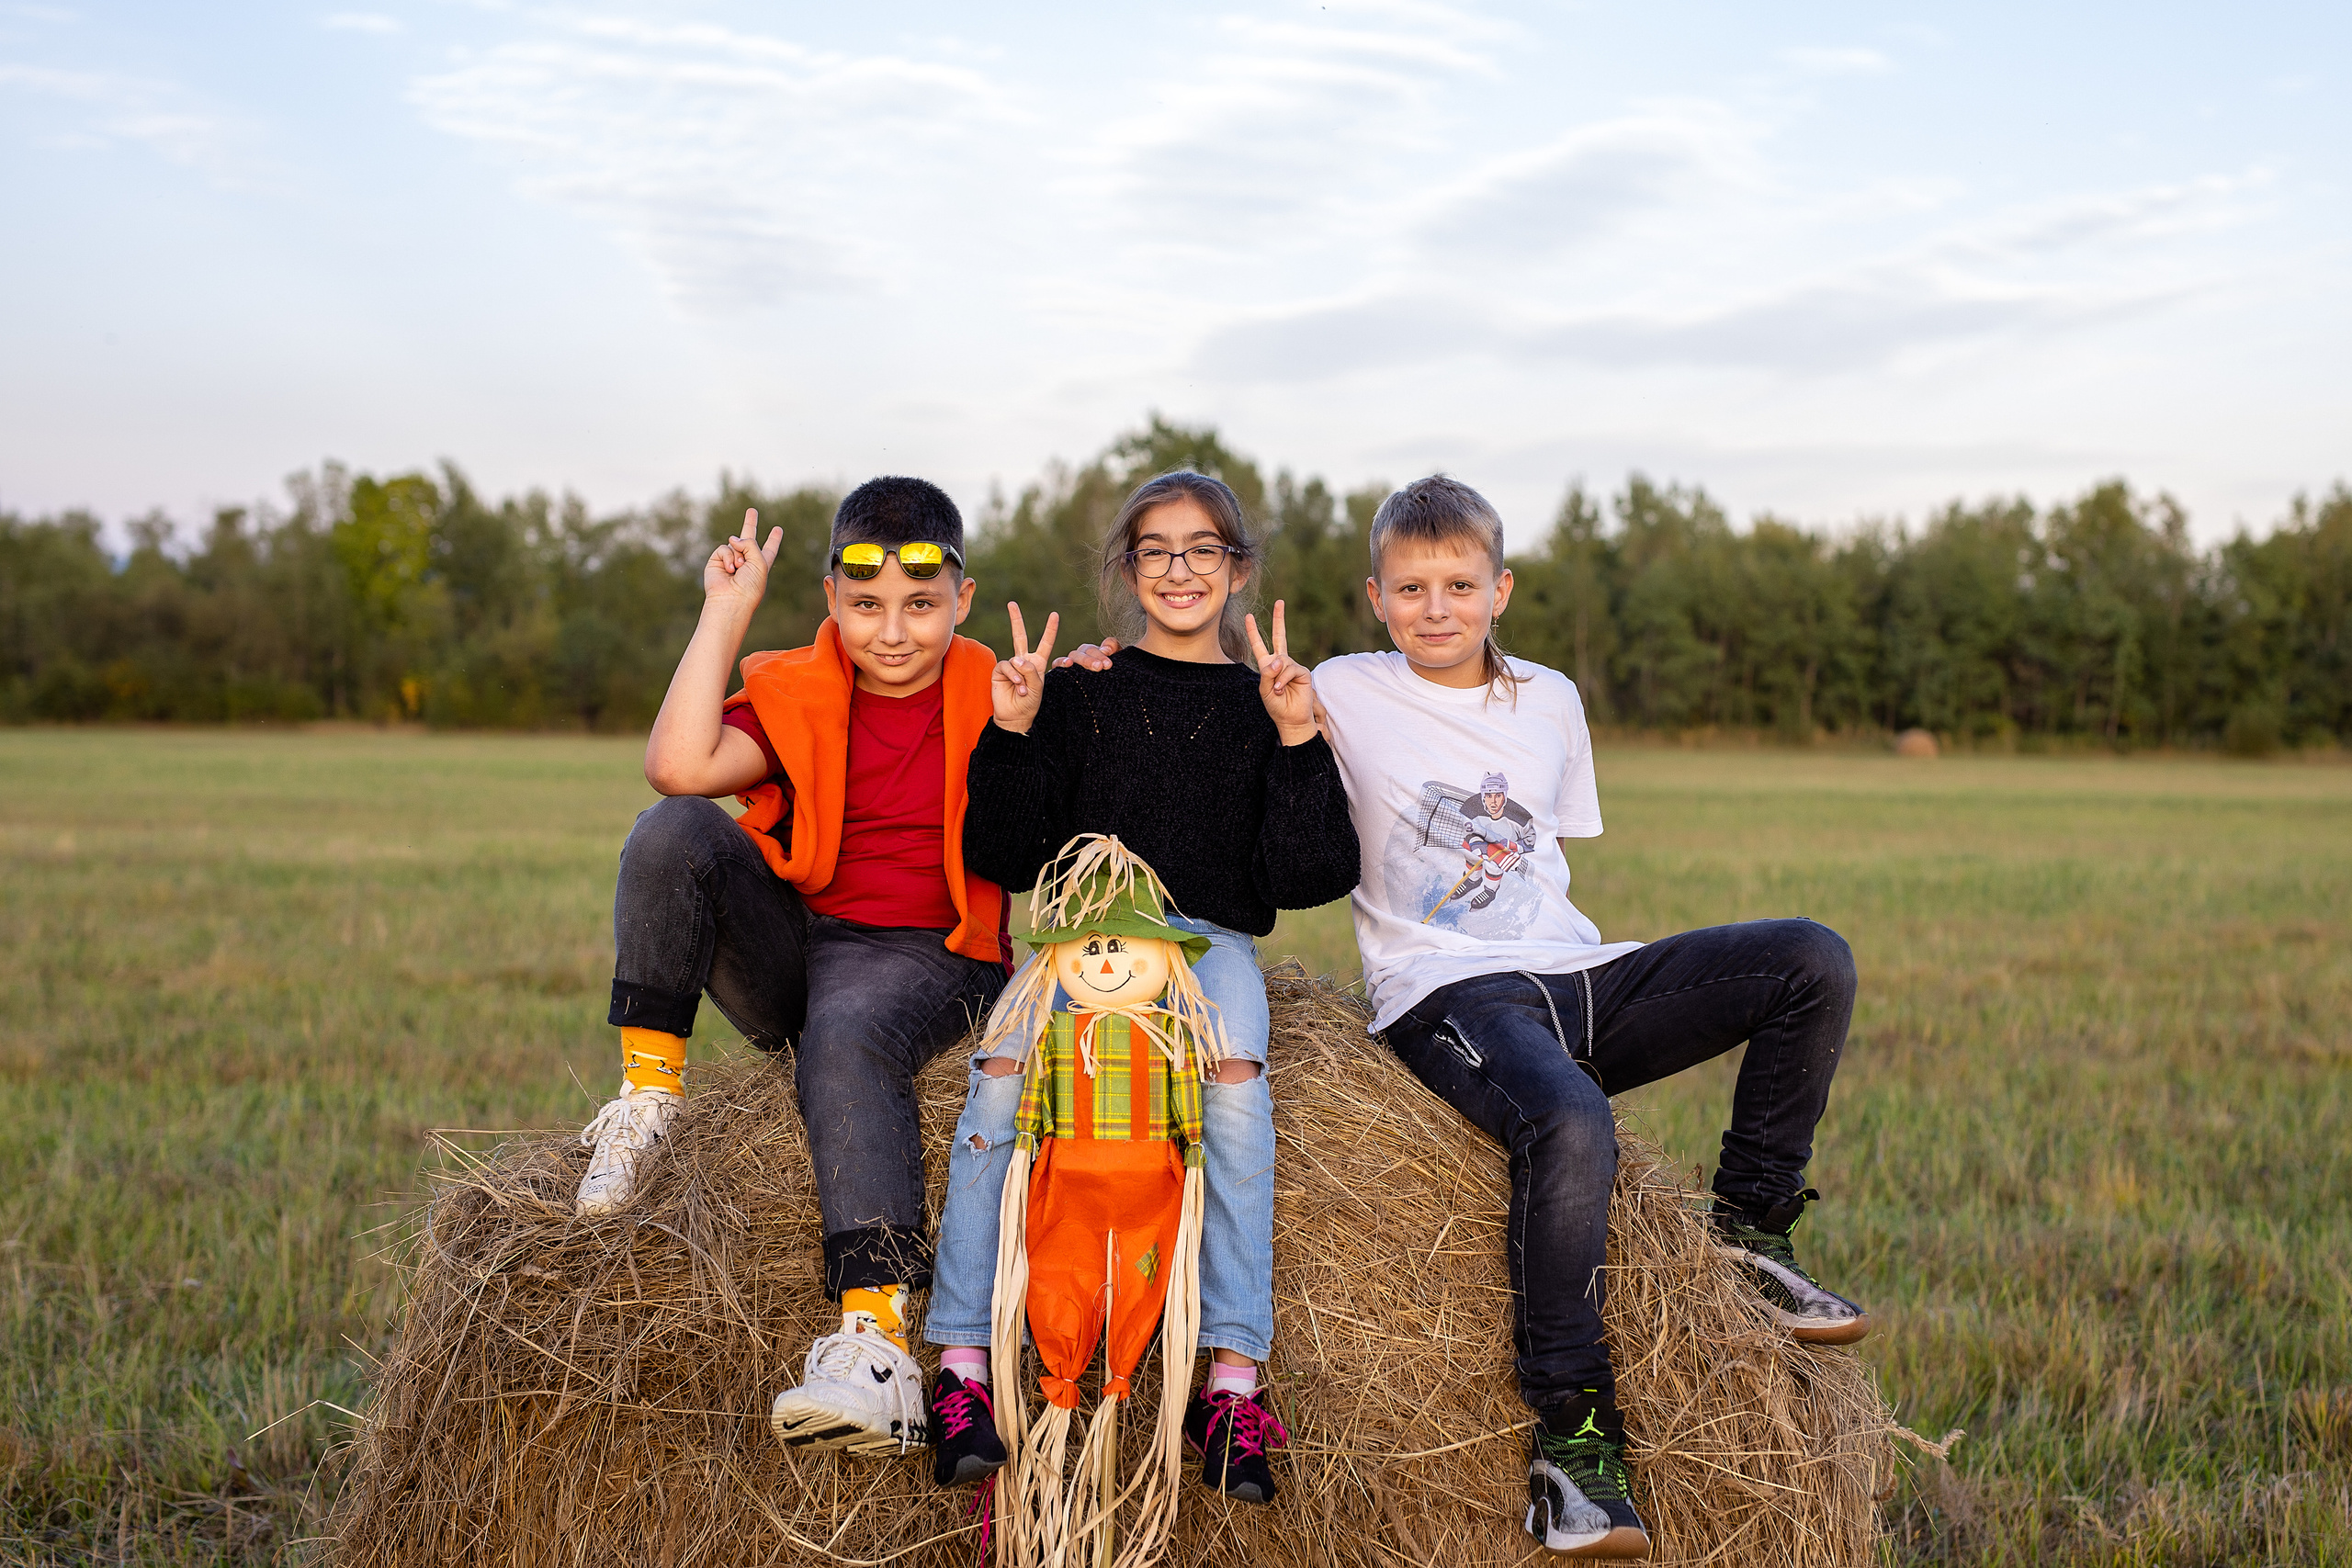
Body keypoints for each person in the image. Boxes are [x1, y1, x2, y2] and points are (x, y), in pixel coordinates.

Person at [1309, 475, 1871, 1561]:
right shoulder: (1342, 686)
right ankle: (1574, 1438)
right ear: (1375, 598)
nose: (1438, 607)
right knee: (1571, 1124)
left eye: (1460, 584)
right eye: (1413, 588)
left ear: (1500, 588)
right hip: (1444, 991)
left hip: (1579, 974)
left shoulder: (1551, 700)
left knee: (1810, 957)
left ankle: (1750, 1230)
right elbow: (1207, 702)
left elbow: (1546, 863)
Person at [921, 469, 1360, 1506]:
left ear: (1238, 570)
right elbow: (1006, 852)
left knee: (1238, 1086)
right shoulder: (1080, 690)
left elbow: (1308, 877)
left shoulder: (1269, 707)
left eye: (1202, 549)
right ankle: (959, 1366)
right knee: (997, 1072)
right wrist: (1017, 727)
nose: (1179, 570)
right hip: (1078, 936)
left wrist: (1299, 736)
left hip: (1207, 945)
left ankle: (1231, 1381)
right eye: (1155, 550)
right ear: (1127, 568)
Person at [575, 477, 1015, 1460]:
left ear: (963, 600)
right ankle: (648, 1101)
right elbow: (680, 766)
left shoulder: (997, 685)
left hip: (935, 956)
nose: (891, 633)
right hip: (803, 946)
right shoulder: (796, 685)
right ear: (830, 600)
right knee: (672, 830)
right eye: (865, 608)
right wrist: (722, 614)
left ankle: (879, 1343)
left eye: (919, 607)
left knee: (849, 1031)